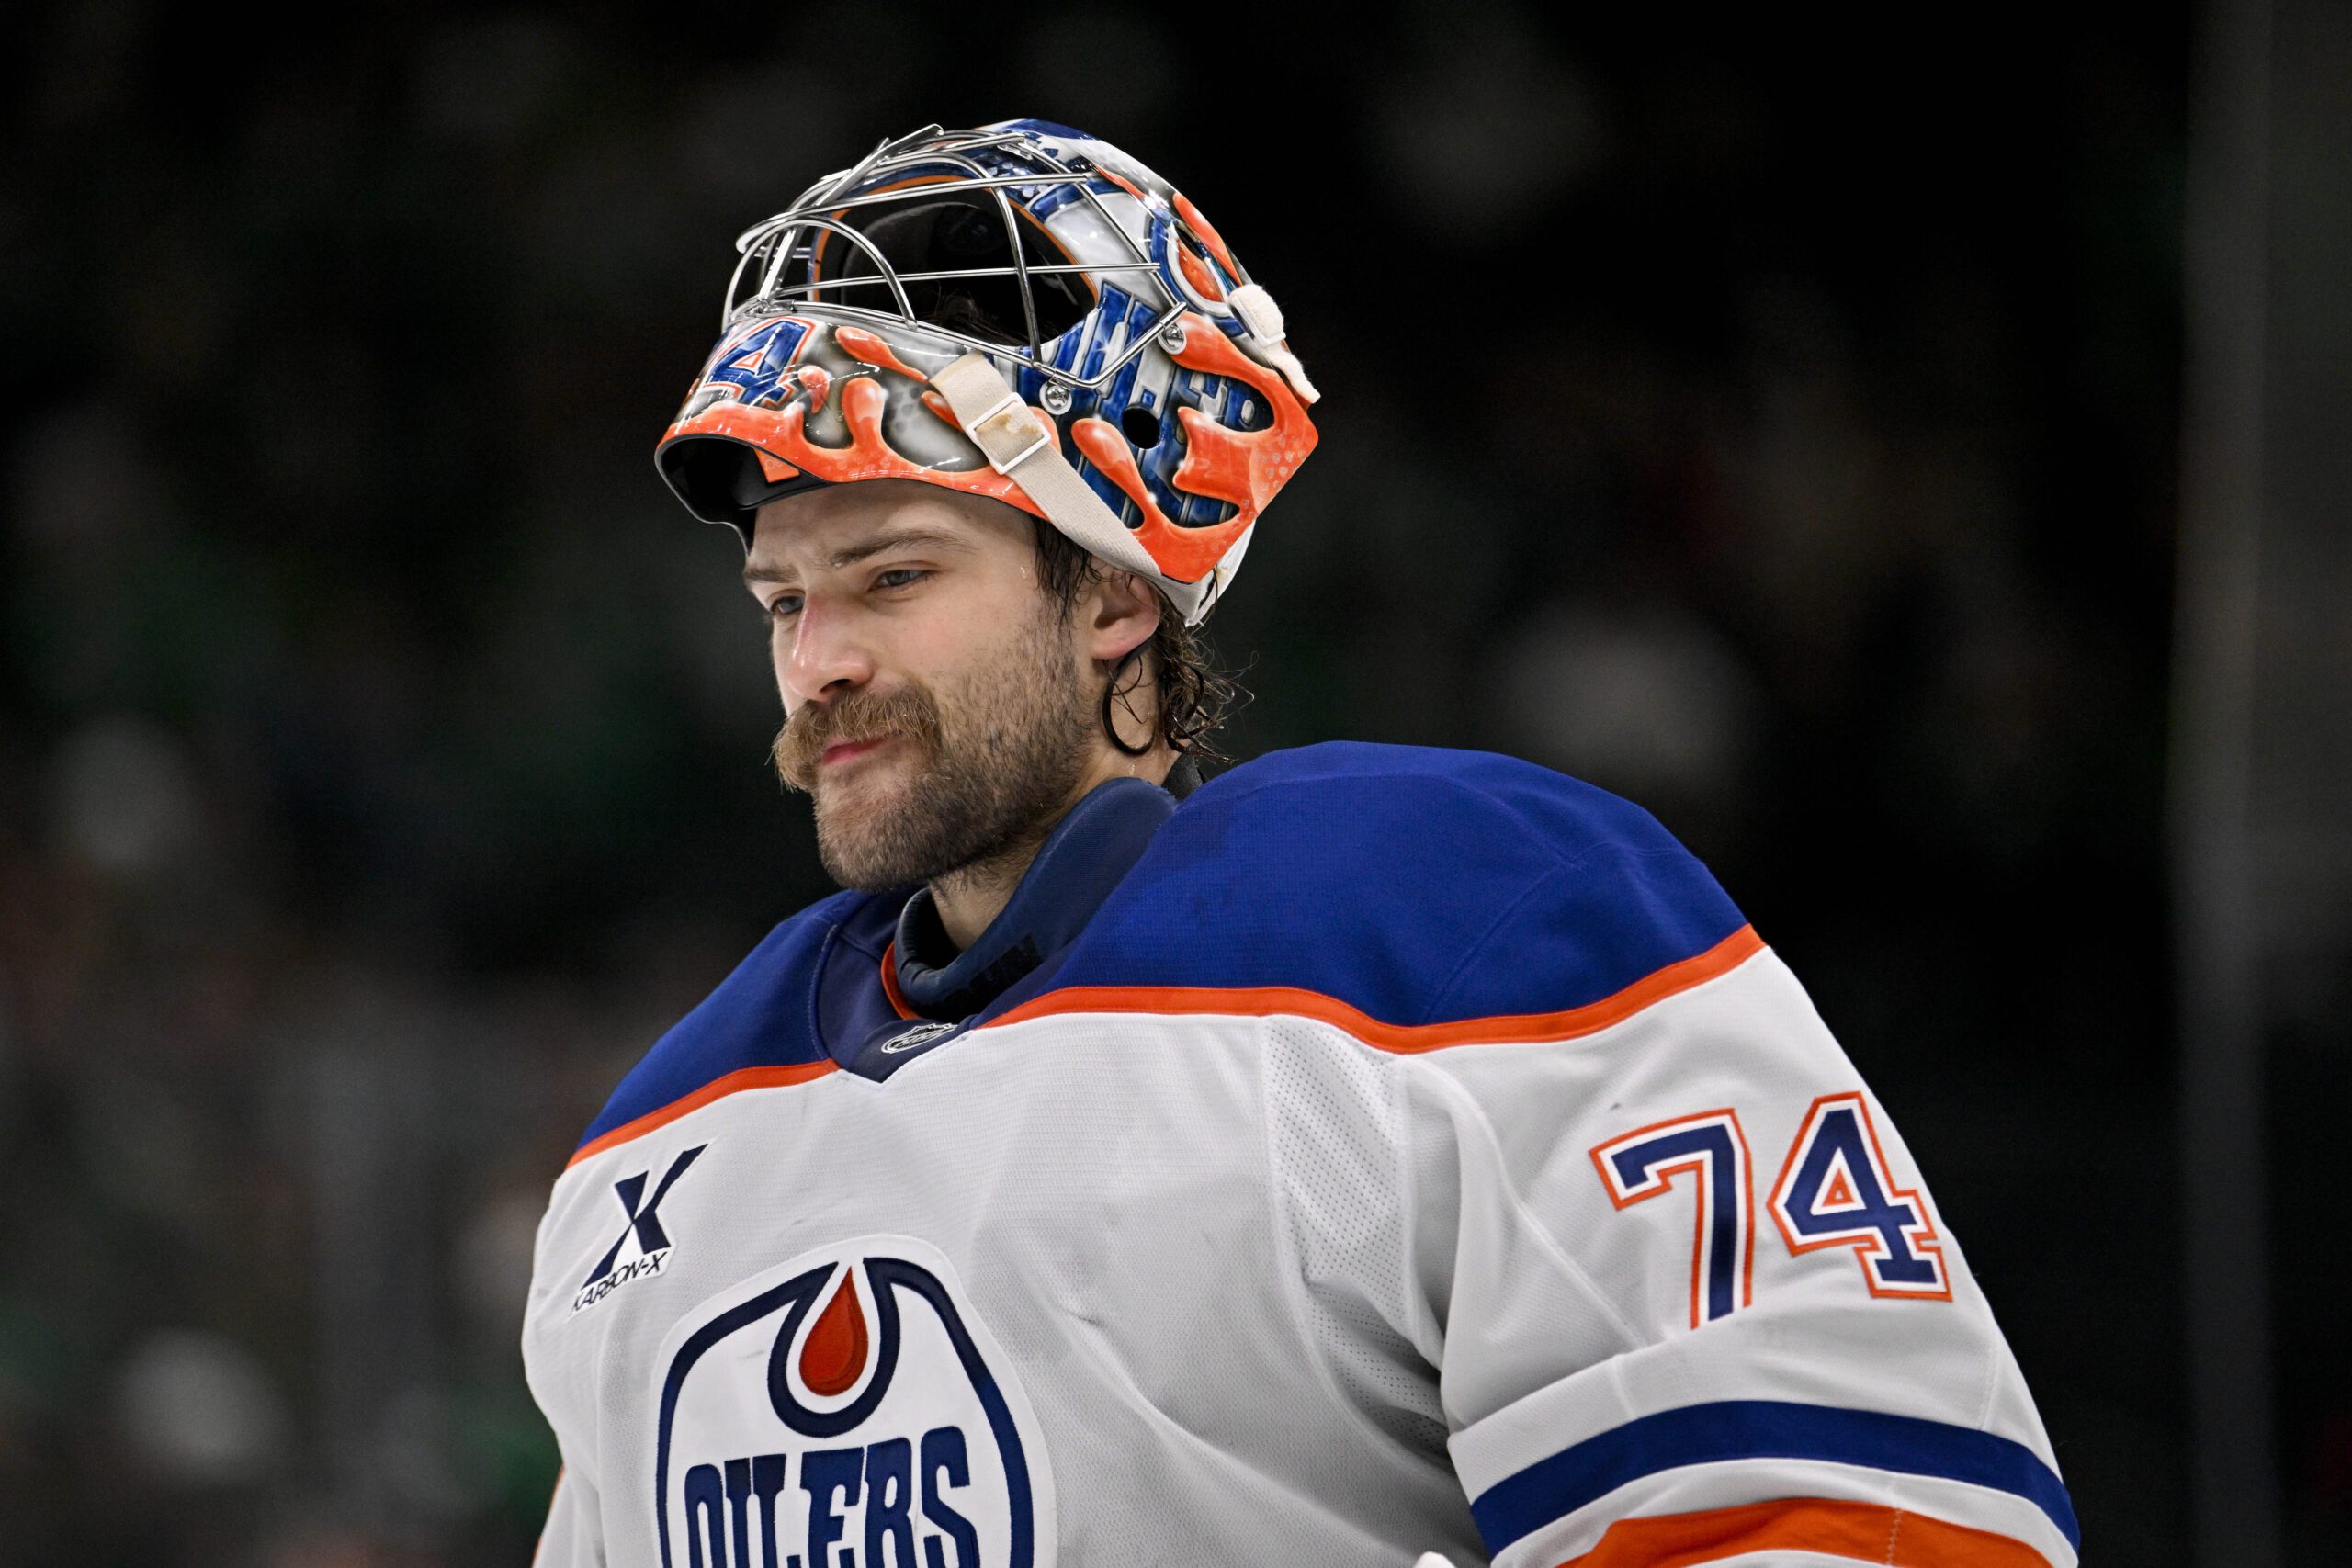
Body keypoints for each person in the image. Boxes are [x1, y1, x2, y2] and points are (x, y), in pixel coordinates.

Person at [522, 122, 2075, 1568]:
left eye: (893, 577)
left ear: (1116, 592)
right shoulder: (659, 1144)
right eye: (786, 601)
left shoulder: (1471, 929)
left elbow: (1866, 1525)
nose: (817, 663)